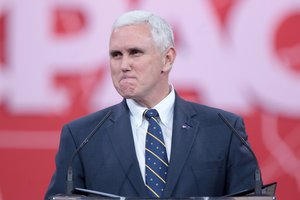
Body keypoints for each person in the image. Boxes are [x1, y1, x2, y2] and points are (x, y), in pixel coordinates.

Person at [45, 10, 257, 199]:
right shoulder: (82, 136)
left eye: (135, 52)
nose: (124, 65)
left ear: (167, 59)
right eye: (116, 55)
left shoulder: (224, 130)